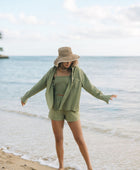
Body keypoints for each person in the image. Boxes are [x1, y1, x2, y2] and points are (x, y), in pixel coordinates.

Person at [21, 47, 117, 170]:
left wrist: (104, 97)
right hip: (56, 109)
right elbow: (39, 85)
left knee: (79, 139)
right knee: (59, 139)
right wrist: (25, 96)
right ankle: (61, 166)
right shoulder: (52, 72)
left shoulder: (78, 72)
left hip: (72, 109)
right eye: (65, 60)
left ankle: (89, 167)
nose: (68, 63)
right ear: (60, 60)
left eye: (70, 60)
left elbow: (90, 87)